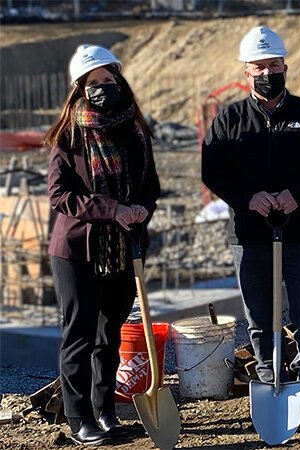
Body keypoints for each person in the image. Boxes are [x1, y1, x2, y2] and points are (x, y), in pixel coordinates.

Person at [201, 25, 300, 429]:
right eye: (259, 67)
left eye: (273, 65)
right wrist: (250, 198)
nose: (267, 73)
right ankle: (271, 382)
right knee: (260, 319)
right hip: (250, 237)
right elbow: (214, 171)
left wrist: (298, 192)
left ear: (285, 66)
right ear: (246, 72)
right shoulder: (228, 120)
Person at [45, 44, 160, 446]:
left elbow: (151, 189)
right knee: (79, 333)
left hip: (124, 248)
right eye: (93, 82)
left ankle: (105, 408)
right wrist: (113, 209)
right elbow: (61, 196)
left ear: (119, 81)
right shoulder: (69, 135)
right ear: (80, 89)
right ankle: (79, 418)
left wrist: (140, 211)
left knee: (110, 331)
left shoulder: (136, 132)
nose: (103, 88)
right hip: (77, 251)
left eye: (108, 80)